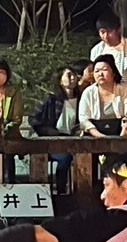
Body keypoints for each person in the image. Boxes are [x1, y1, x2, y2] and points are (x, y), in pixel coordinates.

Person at [29, 64, 85, 194]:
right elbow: (33, 119)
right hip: (54, 141)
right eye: (68, 75)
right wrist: (47, 131)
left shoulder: (82, 99)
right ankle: (61, 190)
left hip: (75, 141)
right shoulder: (52, 100)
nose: (72, 78)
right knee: (64, 158)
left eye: (74, 75)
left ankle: (81, 191)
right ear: (60, 80)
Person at [90, 16, 127, 101]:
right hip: (103, 98)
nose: (106, 36)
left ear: (118, 30)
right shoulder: (96, 50)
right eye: (102, 32)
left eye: (110, 32)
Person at [78, 55, 127, 138]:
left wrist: (120, 137)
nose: (100, 74)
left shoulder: (125, 88)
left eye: (104, 70)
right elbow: (83, 119)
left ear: (113, 73)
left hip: (121, 131)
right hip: (94, 135)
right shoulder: (88, 92)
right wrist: (100, 136)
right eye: (97, 71)